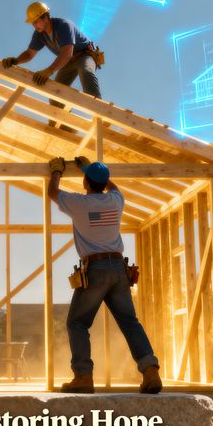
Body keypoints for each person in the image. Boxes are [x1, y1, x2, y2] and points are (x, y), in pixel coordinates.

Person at [47, 156, 161, 394]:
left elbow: (52, 192)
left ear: (86, 182)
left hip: (95, 269)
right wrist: (89, 169)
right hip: (119, 269)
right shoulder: (116, 200)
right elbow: (115, 188)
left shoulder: (79, 203)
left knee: (77, 323)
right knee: (130, 322)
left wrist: (56, 171)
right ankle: (150, 372)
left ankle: (83, 377)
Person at [1, 2, 101, 131]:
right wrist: (16, 60)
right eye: (32, 23)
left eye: (36, 21)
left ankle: (100, 112)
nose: (34, 25)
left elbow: (67, 52)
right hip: (68, 61)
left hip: (85, 55)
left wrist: (49, 71)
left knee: (86, 71)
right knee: (55, 93)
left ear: (46, 17)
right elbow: (30, 53)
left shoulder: (64, 25)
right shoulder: (39, 34)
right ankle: (66, 129)